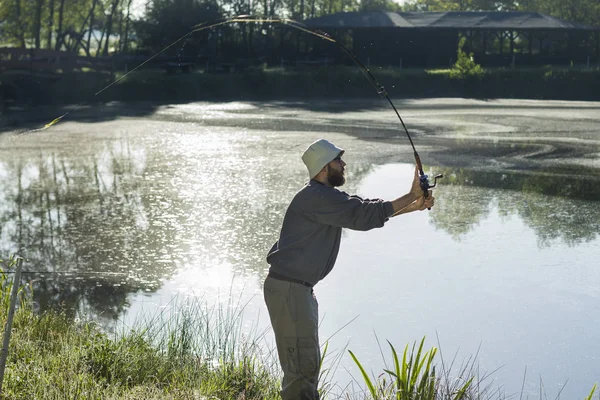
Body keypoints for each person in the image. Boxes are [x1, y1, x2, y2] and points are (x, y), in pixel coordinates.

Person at [263, 138, 435, 400]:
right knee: (301, 372)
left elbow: (361, 214)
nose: (343, 164)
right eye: (338, 160)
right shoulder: (316, 198)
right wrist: (412, 195)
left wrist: (414, 206)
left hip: (296, 291)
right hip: (290, 291)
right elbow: (361, 214)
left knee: (305, 369)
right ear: (324, 167)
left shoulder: (322, 198)